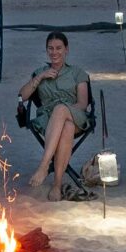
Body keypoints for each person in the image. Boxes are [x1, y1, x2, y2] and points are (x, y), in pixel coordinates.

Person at [18, 30, 93, 198]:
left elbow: (82, 103)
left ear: (67, 49)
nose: (54, 52)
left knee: (61, 111)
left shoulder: (77, 72)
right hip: (48, 119)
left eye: (59, 48)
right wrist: (41, 77)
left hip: (75, 113)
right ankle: (57, 185)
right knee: (66, 126)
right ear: (46, 50)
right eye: (50, 48)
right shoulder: (40, 72)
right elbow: (22, 96)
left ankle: (44, 165)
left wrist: (66, 110)